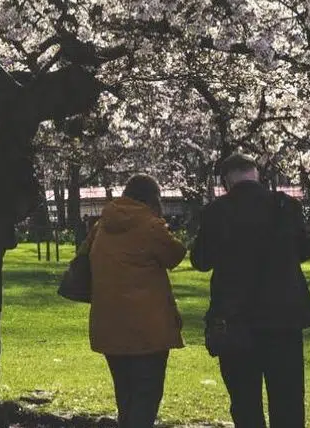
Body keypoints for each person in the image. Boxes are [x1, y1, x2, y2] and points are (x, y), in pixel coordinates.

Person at [191, 153, 310, 428]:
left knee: (245, 401)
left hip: (236, 317)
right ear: (256, 174)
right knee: (288, 399)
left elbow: (201, 260)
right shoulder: (285, 206)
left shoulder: (217, 211)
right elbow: (305, 250)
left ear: (225, 180)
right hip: (283, 317)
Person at [83, 173, 186, 428]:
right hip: (148, 327)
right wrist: (161, 221)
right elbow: (175, 255)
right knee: (147, 394)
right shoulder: (150, 226)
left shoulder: (102, 225)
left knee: (125, 393)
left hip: (109, 324)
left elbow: (84, 257)